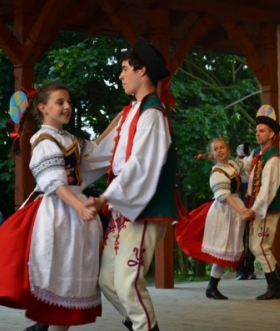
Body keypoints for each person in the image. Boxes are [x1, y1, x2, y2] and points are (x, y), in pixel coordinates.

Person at [0, 82, 119, 331]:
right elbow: (54, 183)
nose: (67, 106)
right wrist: (79, 206)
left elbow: (100, 149)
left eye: (68, 102)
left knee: (66, 296)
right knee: (60, 287)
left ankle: (42, 327)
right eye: (60, 102)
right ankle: (42, 325)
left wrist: (124, 117)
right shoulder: (44, 140)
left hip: (75, 215)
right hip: (59, 214)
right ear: (43, 108)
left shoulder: (69, 139)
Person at [85, 38, 186, 331]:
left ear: (143, 72)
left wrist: (105, 197)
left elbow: (141, 165)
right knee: (106, 280)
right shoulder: (132, 112)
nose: (120, 75)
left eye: (126, 68)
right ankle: (141, 326)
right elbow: (102, 154)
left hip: (143, 207)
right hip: (123, 204)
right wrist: (65, 154)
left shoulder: (153, 115)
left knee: (128, 283)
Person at [175, 137, 252, 299]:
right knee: (222, 248)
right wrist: (241, 211)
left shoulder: (231, 165)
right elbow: (225, 196)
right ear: (213, 154)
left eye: (222, 147)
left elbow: (243, 164)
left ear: (228, 149)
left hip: (234, 210)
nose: (219, 151)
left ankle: (212, 287)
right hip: (223, 212)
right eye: (216, 149)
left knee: (225, 249)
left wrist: (248, 154)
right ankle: (212, 287)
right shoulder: (217, 173)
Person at [246, 105, 280, 300]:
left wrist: (254, 210)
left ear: (272, 134)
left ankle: (275, 287)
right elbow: (246, 171)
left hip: (266, 209)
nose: (258, 134)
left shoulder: (273, 158)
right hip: (258, 207)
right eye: (257, 131)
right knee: (258, 246)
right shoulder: (258, 154)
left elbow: (268, 190)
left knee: (259, 247)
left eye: (262, 131)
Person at [235, 142, 257, 280]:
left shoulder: (254, 158)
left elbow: (250, 170)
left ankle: (250, 269)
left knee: (252, 234)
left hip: (251, 194)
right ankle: (239, 269)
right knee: (239, 234)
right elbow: (239, 169)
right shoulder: (235, 164)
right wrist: (240, 157)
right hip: (239, 195)